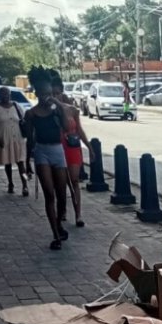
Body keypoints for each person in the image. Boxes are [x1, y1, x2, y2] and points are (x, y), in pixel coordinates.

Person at [22, 65, 68, 250]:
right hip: (42, 152)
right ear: (37, 94)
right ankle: (55, 235)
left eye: (50, 93)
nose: (47, 97)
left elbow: (65, 127)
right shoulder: (31, 113)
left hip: (58, 151)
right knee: (49, 194)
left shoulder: (57, 109)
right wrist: (27, 162)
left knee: (62, 195)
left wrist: (61, 108)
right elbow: (29, 139)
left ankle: (58, 222)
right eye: (43, 93)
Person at [50, 71, 91, 228]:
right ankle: (63, 210)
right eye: (52, 94)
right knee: (60, 183)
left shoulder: (72, 110)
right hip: (56, 148)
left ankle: (78, 214)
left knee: (74, 180)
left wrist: (89, 147)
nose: (55, 96)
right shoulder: (49, 111)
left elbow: (79, 130)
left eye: (57, 93)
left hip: (71, 148)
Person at [0, 86, 29, 196]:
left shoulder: (16, 106)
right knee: (8, 164)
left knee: (21, 164)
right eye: (2, 94)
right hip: (4, 139)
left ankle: (25, 185)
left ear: (10, 95)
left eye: (7, 94)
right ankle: (10, 183)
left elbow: (24, 120)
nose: (5, 96)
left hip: (18, 139)